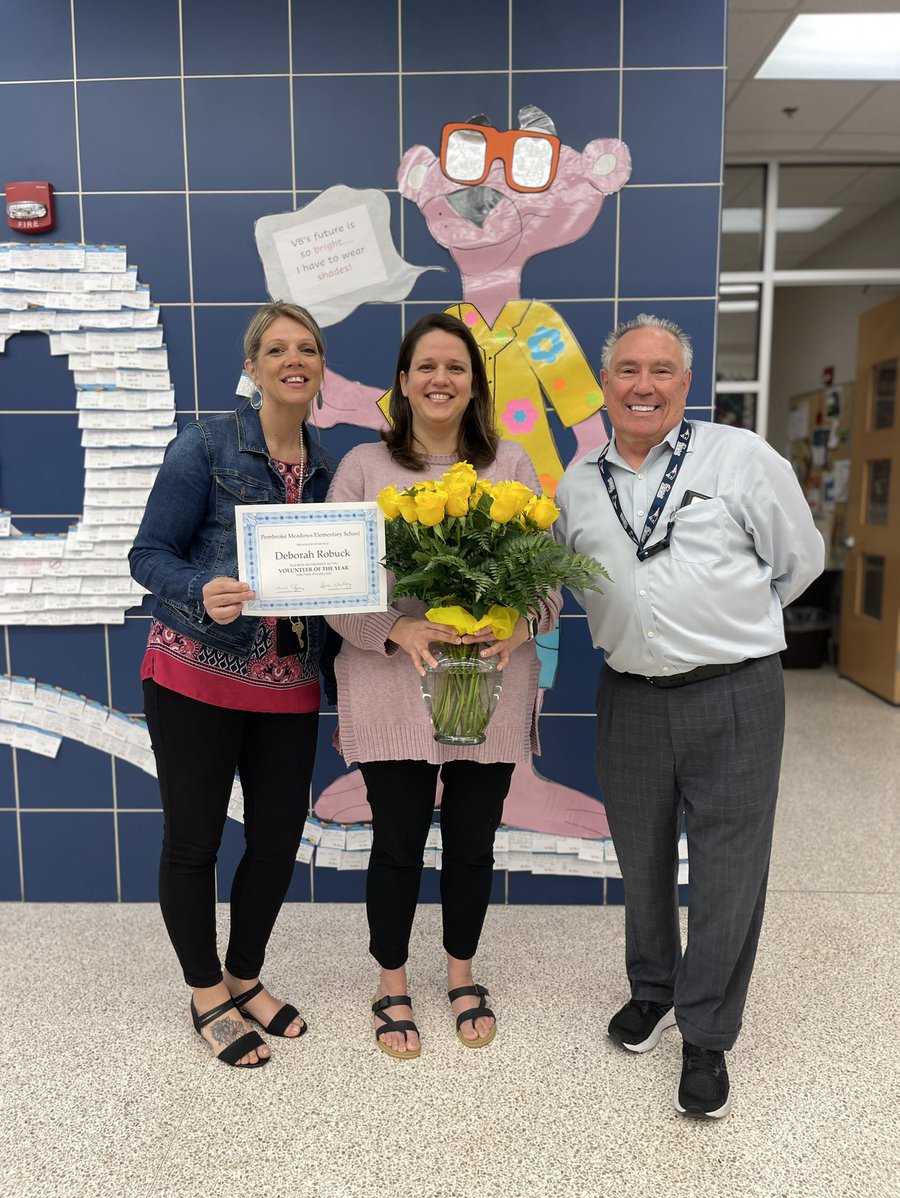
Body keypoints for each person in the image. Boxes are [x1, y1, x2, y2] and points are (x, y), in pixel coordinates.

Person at [554, 313, 824, 1117]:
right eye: (627, 371)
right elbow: (568, 582)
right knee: (640, 862)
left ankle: (707, 1034)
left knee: (728, 872)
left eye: (661, 371)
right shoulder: (576, 483)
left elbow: (798, 562)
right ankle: (653, 990)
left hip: (735, 692)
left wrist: (730, 631)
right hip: (629, 697)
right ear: (604, 387)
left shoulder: (740, 458)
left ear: (685, 383)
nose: (643, 385)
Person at [326, 311, 561, 1058]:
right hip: (391, 682)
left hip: (485, 687)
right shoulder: (364, 466)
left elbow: (549, 585)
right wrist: (397, 628)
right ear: (402, 382)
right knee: (395, 842)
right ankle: (391, 982)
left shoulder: (511, 465)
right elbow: (335, 583)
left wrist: (518, 626)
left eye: (455, 368)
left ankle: (462, 973)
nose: (439, 379)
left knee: (471, 843)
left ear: (474, 386)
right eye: (425, 366)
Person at [129, 302, 336, 1068]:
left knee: (279, 841)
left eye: (307, 348)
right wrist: (199, 589)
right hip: (194, 675)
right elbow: (148, 554)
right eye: (276, 348)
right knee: (195, 841)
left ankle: (245, 975)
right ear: (251, 368)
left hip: (290, 684)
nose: (294, 359)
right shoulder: (206, 445)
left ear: (320, 369)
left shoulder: (328, 469)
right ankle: (205, 989)